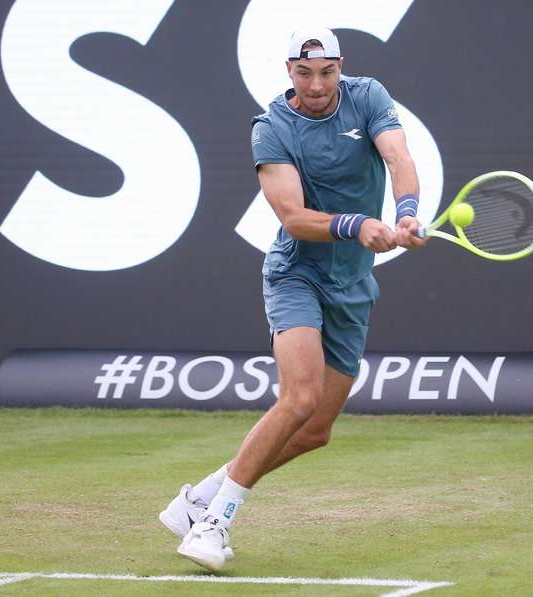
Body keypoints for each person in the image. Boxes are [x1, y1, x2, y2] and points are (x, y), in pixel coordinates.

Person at [158, 25, 425, 572]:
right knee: (298, 398)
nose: (317, 84)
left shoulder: (368, 95)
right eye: (304, 73)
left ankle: (202, 496)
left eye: (326, 72)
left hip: (352, 284)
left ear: (340, 66)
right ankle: (215, 523)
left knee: (315, 431)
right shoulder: (271, 128)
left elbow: (398, 159)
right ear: (288, 71)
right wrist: (356, 224)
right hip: (296, 274)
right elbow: (294, 217)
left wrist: (405, 213)